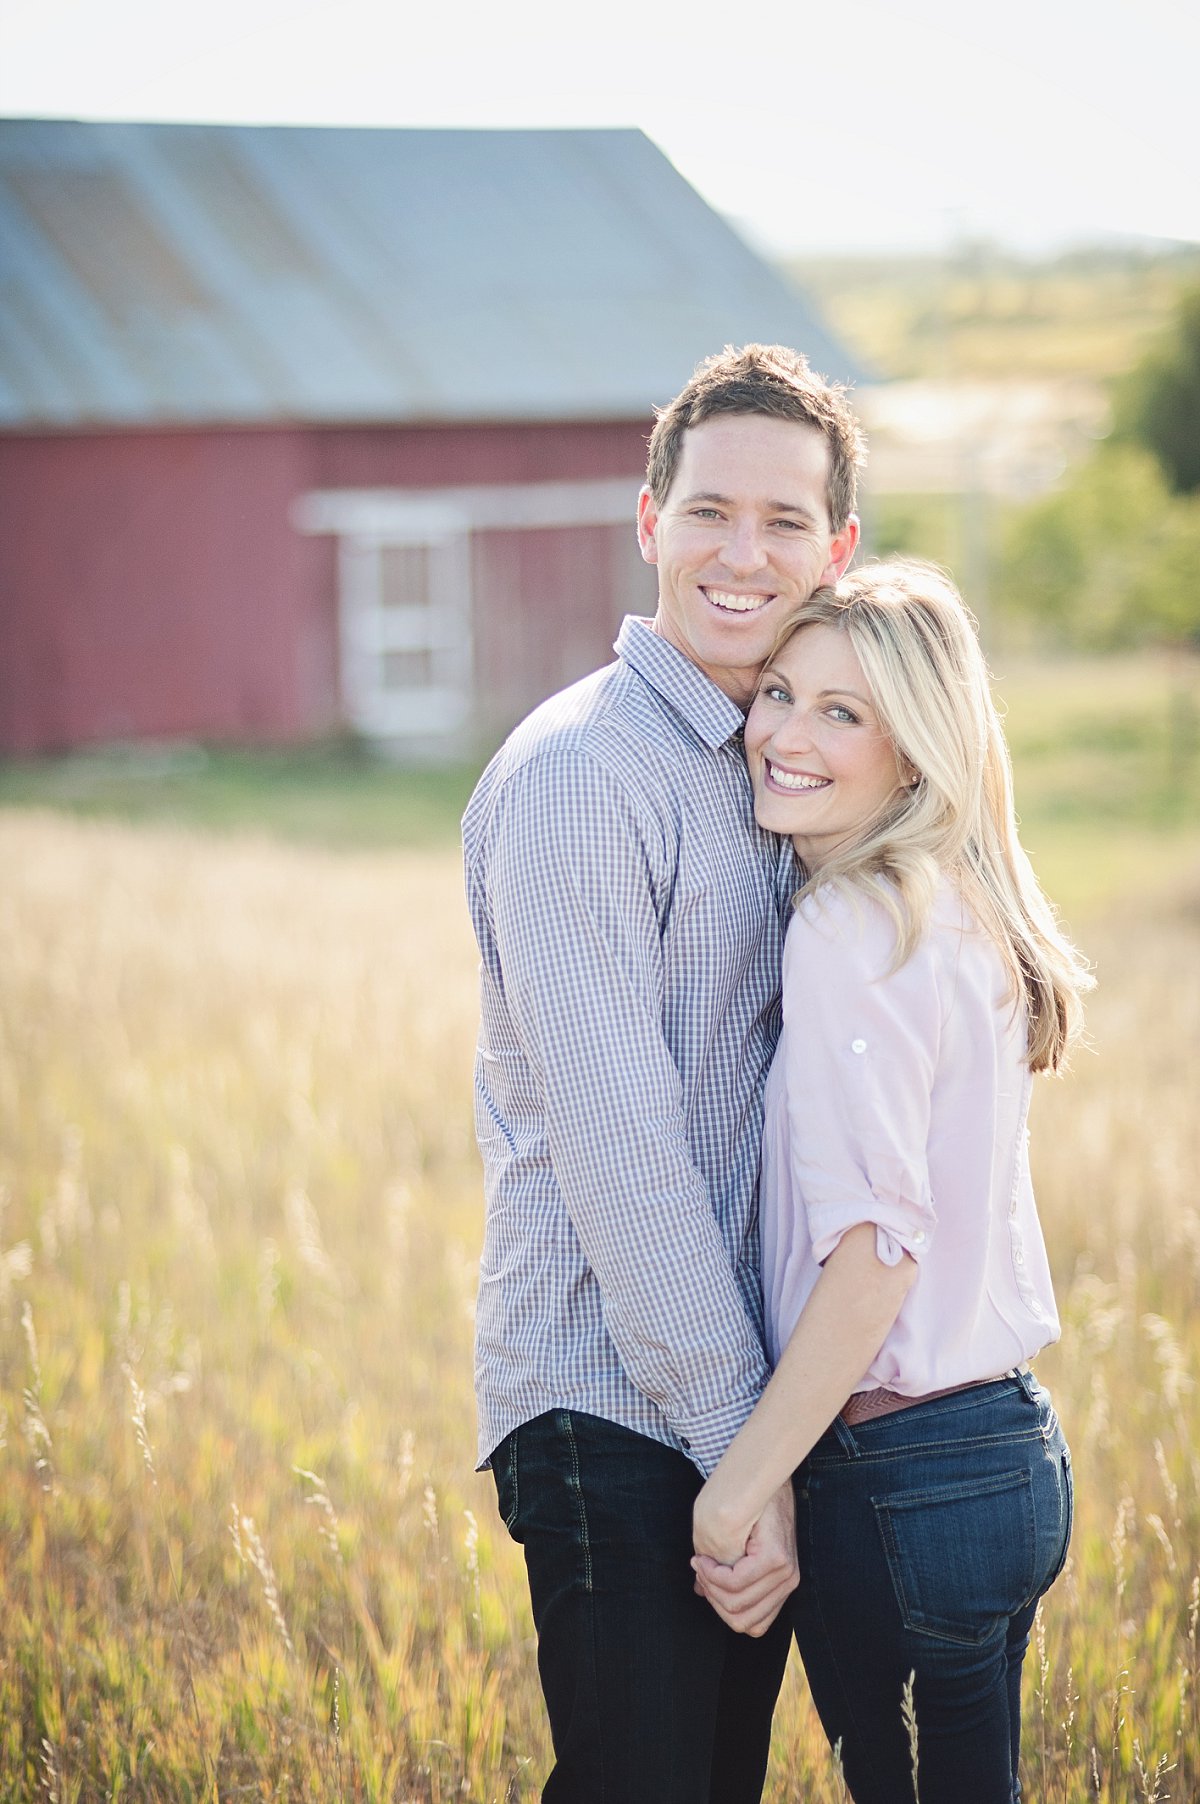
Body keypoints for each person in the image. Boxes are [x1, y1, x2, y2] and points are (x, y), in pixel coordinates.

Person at [462, 344, 864, 1802]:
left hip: (738, 1407)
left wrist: (770, 1443)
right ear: (649, 522)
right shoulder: (587, 776)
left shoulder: (780, 762)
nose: (742, 555)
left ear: (837, 550)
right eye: (708, 513)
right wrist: (747, 1463)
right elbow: (625, 1160)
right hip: (617, 1413)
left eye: (782, 520)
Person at [691, 561, 1090, 1803]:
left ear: (912, 756)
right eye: (779, 693)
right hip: (1010, 1452)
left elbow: (877, 1253)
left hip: (903, 1474)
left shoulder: (852, 924)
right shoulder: (956, 909)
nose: (785, 736)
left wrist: (736, 1489)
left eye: (842, 713)